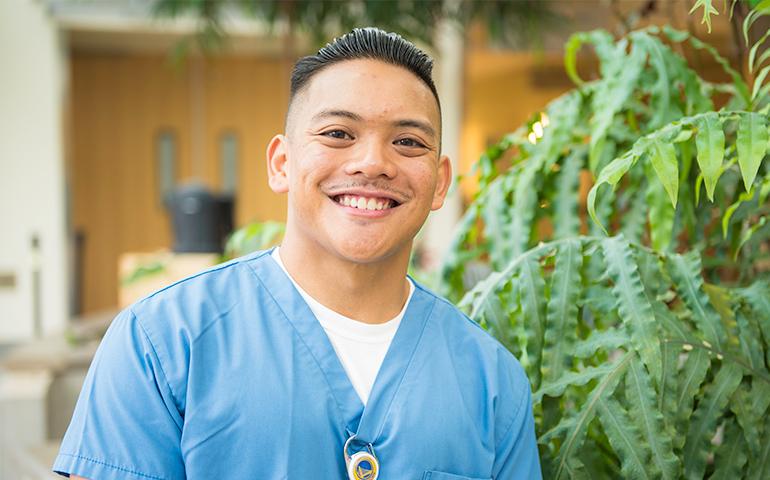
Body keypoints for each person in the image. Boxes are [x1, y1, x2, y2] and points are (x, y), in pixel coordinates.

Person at [53, 27, 541, 480]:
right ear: (282, 163)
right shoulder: (163, 342)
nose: (372, 162)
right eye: (338, 133)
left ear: (440, 182)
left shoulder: (490, 380)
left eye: (408, 142)